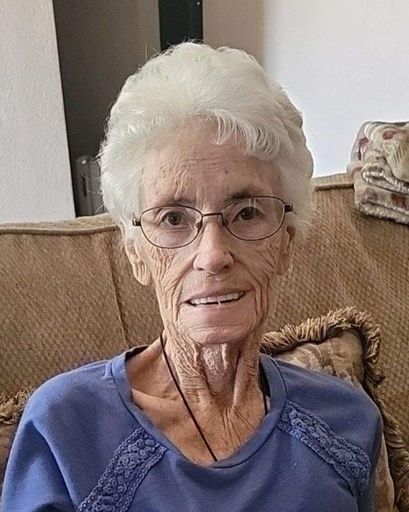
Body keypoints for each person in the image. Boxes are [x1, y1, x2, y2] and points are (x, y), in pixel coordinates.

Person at [1, 42, 382, 511]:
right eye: (173, 218)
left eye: (246, 212)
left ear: (286, 242)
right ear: (136, 252)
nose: (213, 255)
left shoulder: (347, 422)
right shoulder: (65, 427)